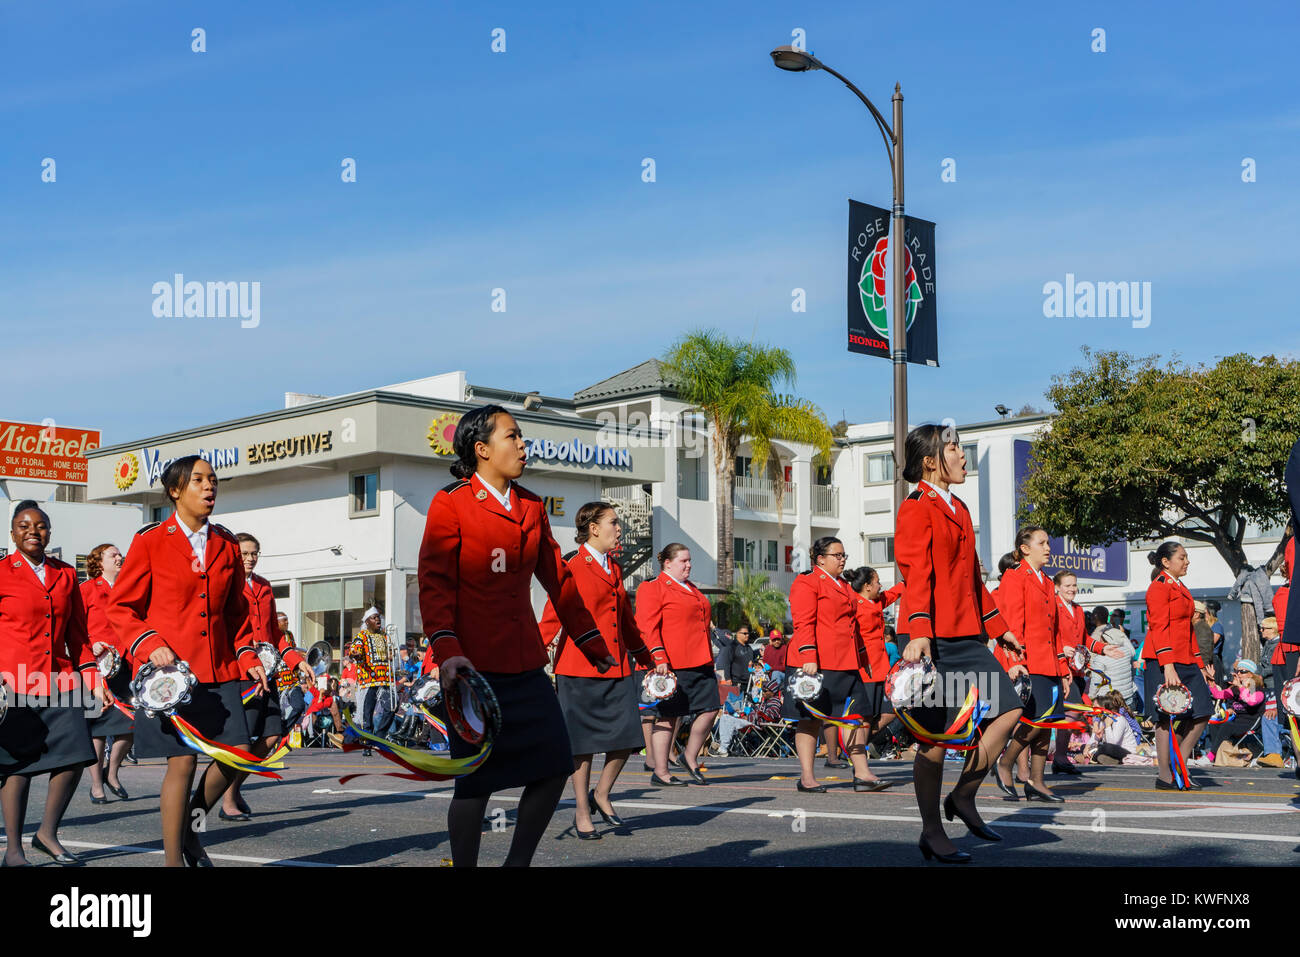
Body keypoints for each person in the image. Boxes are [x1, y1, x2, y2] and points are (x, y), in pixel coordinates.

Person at [418, 405, 609, 867]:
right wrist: (446, 650)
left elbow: (558, 580)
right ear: (481, 449)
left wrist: (590, 640)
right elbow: (434, 583)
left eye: (522, 437)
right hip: (471, 668)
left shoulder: (531, 505)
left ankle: (516, 864)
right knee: (476, 782)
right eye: (513, 436)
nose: (524, 445)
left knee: (555, 764)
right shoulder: (452, 502)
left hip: (525, 662)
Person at [106, 457, 271, 866]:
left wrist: (248, 653)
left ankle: (188, 832)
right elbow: (122, 608)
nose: (209, 487)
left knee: (238, 754)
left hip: (219, 670)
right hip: (169, 678)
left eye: (213, 481)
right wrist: (149, 644)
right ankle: (173, 860)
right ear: (175, 491)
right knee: (182, 763)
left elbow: (237, 614)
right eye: (198, 481)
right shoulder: (150, 541)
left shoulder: (227, 544)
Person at [894, 425, 1025, 863]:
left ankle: (964, 796)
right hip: (931, 637)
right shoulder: (915, 507)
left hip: (967, 632)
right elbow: (916, 573)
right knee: (935, 740)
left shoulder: (960, 506)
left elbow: (971, 576)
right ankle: (932, 831)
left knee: (1009, 710)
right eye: (955, 450)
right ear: (931, 460)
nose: (964, 458)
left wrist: (998, 625)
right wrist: (917, 632)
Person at [538, 501, 655, 839]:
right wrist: (530, 655)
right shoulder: (571, 565)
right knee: (583, 745)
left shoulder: (615, 568)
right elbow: (553, 616)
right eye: (613, 523)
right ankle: (581, 810)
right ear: (593, 528)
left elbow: (626, 622)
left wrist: (646, 657)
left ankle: (601, 793)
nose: (619, 529)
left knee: (628, 738)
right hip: (579, 667)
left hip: (618, 666)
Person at [0, 501, 101, 866]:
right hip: (14, 682)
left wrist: (90, 674)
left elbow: (79, 634)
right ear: (12, 533)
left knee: (76, 756)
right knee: (18, 766)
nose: (32, 531)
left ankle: (47, 833)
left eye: (40, 525)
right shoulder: (1, 573)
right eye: (24, 525)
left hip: (60, 679)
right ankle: (14, 849)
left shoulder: (66, 575)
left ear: (49, 532)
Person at [218, 532, 313, 821]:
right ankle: (226, 798)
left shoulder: (264, 586)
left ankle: (233, 788)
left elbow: (276, 634)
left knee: (272, 734)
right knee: (241, 740)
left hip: (267, 673)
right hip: (240, 672)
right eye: (245, 553)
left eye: (255, 553)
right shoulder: (225, 584)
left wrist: (296, 661)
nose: (250, 558)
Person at [780, 539, 885, 793]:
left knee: (856, 716)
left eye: (843, 554)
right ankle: (807, 777)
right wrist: (808, 655)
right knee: (810, 721)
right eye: (836, 555)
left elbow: (854, 624)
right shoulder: (807, 581)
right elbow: (804, 622)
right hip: (815, 663)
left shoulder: (844, 586)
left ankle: (861, 773)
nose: (842, 559)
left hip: (846, 662)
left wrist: (862, 658)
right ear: (820, 559)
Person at [994, 527, 1072, 802]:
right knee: (1035, 721)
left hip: (1049, 662)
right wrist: (1015, 661)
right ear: (1025, 548)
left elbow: (1056, 631)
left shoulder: (1048, 582)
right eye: (1042, 543)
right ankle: (1006, 763)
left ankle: (1036, 782)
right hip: (1029, 661)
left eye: (1048, 542)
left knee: (1048, 723)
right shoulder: (1015, 577)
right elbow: (1010, 624)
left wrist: (1063, 669)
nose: (1048, 547)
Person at [635, 544, 719, 786]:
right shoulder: (653, 587)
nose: (689, 565)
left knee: (711, 707)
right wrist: (658, 656)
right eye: (683, 561)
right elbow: (647, 625)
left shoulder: (691, 588)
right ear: (667, 564)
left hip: (700, 659)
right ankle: (660, 771)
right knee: (667, 716)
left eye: (689, 560)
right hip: (672, 662)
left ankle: (689, 756)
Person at [1142, 541, 1214, 790]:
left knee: (1203, 709)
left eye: (1186, 557)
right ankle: (1165, 776)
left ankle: (1178, 765)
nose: (1187, 562)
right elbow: (1158, 627)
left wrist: (1200, 663)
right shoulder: (1158, 588)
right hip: (1165, 659)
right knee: (1165, 717)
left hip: (1186, 658)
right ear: (1166, 562)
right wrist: (1168, 665)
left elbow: (1188, 629)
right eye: (1182, 557)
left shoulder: (1179, 586)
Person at [81, 543, 133, 805]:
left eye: (119, 553)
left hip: (128, 663)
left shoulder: (128, 586)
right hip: (98, 667)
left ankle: (112, 772)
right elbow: (76, 627)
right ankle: (96, 784)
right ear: (99, 562)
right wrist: (92, 644)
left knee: (132, 724)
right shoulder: (87, 589)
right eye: (113, 554)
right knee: (99, 728)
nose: (119, 557)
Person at [848, 564, 903, 786]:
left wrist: (909, 582)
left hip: (881, 668)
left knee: (890, 711)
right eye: (877, 581)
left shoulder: (877, 600)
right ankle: (858, 761)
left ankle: (855, 749)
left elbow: (893, 594)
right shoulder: (854, 603)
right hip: (866, 668)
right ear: (868, 585)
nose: (881, 585)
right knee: (864, 717)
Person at [347, 608, 395, 752]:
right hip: (369, 681)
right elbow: (355, 650)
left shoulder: (385, 636)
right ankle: (367, 744)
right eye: (374, 618)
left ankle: (379, 738)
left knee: (392, 708)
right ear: (367, 622)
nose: (378, 620)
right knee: (367, 715)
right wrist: (355, 654)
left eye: (378, 617)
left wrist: (392, 655)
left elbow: (390, 654)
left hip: (385, 681)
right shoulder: (362, 636)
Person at [1088, 604, 1139, 706]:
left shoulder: (1100, 659)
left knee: (1112, 722)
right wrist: (1122, 635)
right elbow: (1133, 652)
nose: (1099, 640)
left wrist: (1091, 697)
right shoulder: (1127, 652)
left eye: (1102, 638)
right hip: (1128, 697)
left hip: (1109, 700)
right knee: (1129, 722)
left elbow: (1096, 681)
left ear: (1106, 640)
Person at [716, 624, 757, 690]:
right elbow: (727, 663)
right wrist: (728, 678)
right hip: (736, 682)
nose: (747, 635)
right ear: (738, 634)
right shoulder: (732, 646)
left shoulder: (749, 648)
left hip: (748, 682)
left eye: (748, 633)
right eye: (745, 633)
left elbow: (753, 662)